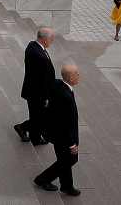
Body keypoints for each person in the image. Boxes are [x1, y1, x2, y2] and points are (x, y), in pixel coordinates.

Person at [34, 64, 81, 197]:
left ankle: (67, 186)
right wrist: (72, 144)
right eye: (77, 74)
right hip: (63, 136)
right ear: (71, 77)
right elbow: (67, 123)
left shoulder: (58, 84)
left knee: (64, 159)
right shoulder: (66, 97)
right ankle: (42, 179)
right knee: (69, 160)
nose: (79, 76)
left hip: (56, 133)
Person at [14, 28, 56, 146]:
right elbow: (43, 80)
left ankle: (33, 135)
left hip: (32, 89)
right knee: (39, 117)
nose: (52, 41)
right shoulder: (40, 57)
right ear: (44, 40)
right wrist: (48, 97)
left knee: (37, 116)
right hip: (37, 93)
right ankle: (23, 129)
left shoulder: (32, 45)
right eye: (51, 39)